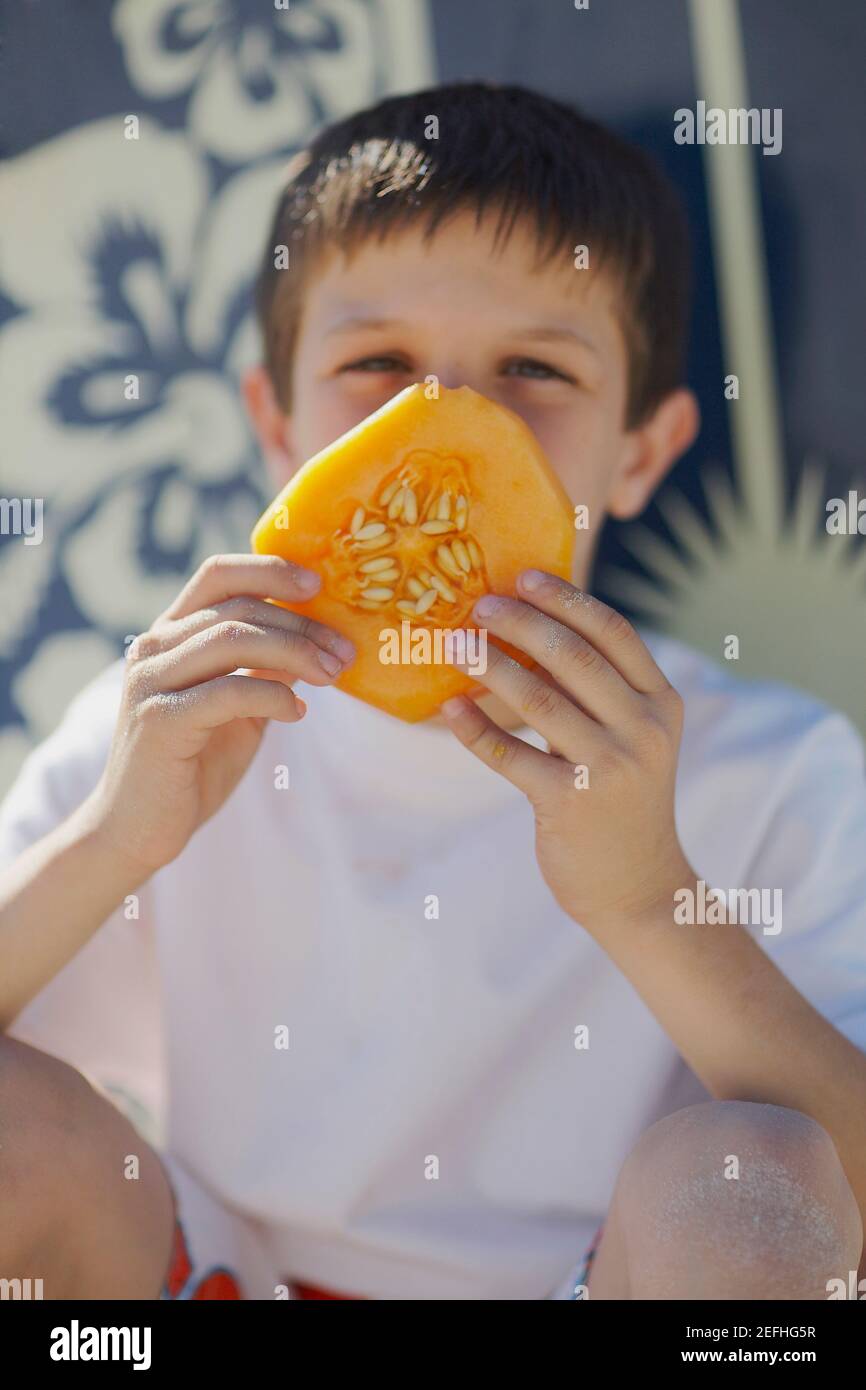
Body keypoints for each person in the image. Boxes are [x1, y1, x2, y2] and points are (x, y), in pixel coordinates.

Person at [1, 82, 864, 1301]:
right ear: (277, 425)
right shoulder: (168, 719)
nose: (444, 428)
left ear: (640, 452)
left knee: (749, 1178)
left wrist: (642, 895)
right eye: (378, 364)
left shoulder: (773, 767)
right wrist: (110, 839)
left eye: (530, 368)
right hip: (200, 1280)